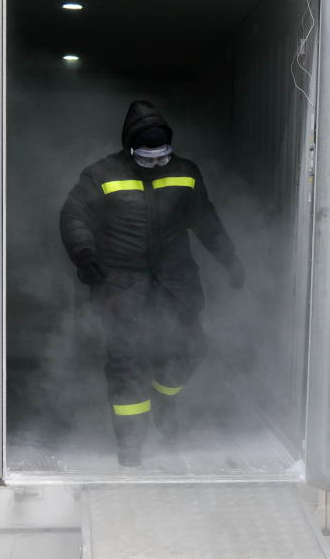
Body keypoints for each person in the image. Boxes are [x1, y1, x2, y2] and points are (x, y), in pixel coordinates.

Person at [59, 100, 244, 467]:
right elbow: (74, 214)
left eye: (163, 157)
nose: (157, 164)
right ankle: (130, 446)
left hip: (176, 282)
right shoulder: (100, 175)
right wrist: (84, 253)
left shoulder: (187, 174)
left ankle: (163, 396)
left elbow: (207, 221)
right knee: (127, 362)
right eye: (148, 158)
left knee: (192, 347)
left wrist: (230, 260)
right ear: (130, 149)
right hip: (121, 286)